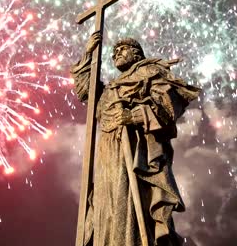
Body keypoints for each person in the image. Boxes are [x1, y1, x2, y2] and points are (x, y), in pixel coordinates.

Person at [71, 32, 200, 246]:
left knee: (128, 201)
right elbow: (87, 91)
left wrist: (134, 116)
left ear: (136, 53)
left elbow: (168, 106)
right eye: (113, 52)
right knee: (106, 206)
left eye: (122, 49)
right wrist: (88, 54)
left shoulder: (150, 72)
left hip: (134, 150)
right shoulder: (111, 88)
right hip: (106, 153)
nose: (116, 53)